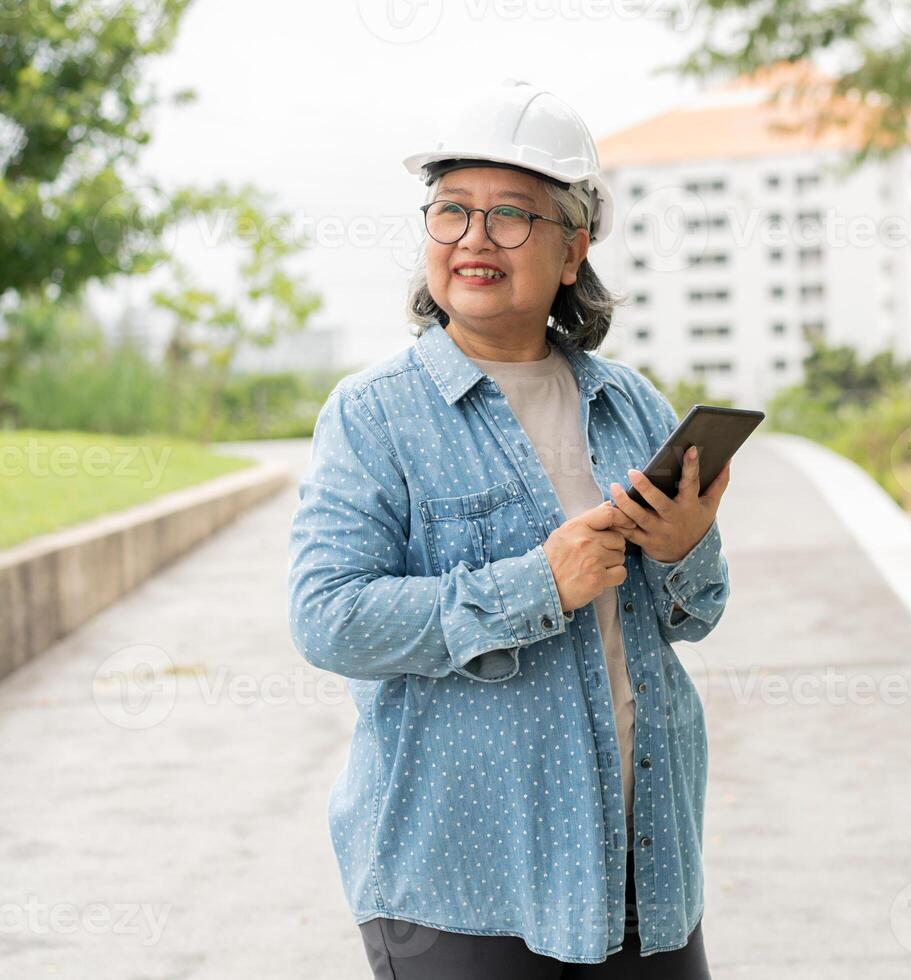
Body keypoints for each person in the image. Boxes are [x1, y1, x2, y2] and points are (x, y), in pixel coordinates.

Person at [286, 78, 730, 978]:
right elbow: (328, 618)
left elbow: (695, 617)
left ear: (573, 251)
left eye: (512, 216)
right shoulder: (375, 415)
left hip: (644, 859)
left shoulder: (630, 403)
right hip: (463, 883)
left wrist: (686, 551)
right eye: (452, 210)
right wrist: (537, 585)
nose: (474, 240)